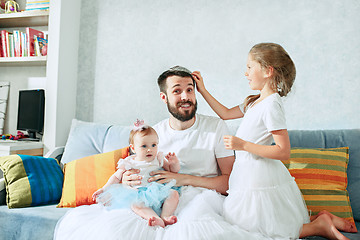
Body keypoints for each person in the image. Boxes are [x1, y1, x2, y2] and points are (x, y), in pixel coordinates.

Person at [192, 43, 356, 239]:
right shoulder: (253, 101)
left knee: (262, 231)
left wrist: (242, 145)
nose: (246, 73)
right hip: (245, 174)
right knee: (249, 226)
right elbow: (225, 114)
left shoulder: (272, 105)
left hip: (260, 176)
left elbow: (283, 151)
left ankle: (320, 225)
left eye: (250, 67)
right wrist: (202, 90)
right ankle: (322, 220)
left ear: (268, 71)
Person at [92, 120, 180, 228]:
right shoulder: (129, 162)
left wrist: (174, 163)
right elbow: (116, 176)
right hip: (137, 193)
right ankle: (154, 218)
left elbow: (173, 171)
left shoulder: (158, 158)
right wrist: (104, 189)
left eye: (153, 145)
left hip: (157, 191)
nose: (149, 149)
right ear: (133, 148)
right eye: (144, 146)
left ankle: (166, 216)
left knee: (173, 194)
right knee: (134, 204)